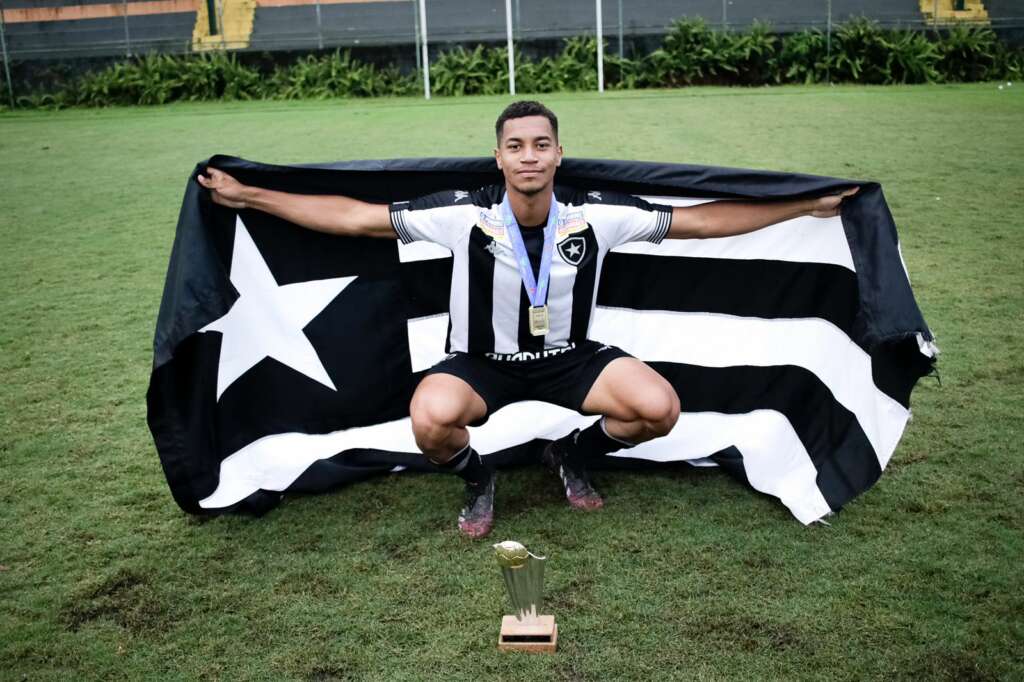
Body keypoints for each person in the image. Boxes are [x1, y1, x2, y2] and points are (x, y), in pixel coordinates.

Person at [197, 100, 856, 539]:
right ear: (501, 159)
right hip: (482, 364)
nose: (530, 156)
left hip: (571, 359)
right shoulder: (464, 216)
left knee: (659, 408)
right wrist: (248, 194)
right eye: (516, 146)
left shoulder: (597, 214)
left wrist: (799, 208)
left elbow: (705, 222)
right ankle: (477, 476)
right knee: (429, 419)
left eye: (541, 144)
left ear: (559, 154)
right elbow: (352, 217)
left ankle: (573, 452)